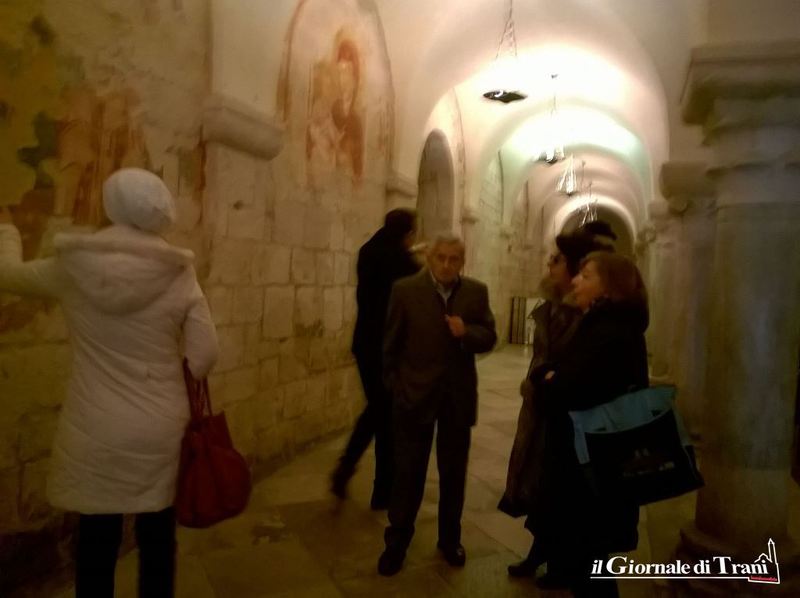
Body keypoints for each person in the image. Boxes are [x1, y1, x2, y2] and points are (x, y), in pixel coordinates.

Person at [0, 168, 219, 598]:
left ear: (111, 204)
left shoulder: (71, 267)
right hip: (159, 426)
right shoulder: (179, 274)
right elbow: (204, 358)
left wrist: (6, 229)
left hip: (94, 425)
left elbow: (7, 275)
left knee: (96, 540)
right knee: (157, 537)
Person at [378, 233, 497, 576]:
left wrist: (466, 332)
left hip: (456, 398)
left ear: (462, 261)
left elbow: (489, 335)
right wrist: (397, 387)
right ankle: (396, 543)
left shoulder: (476, 292)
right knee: (408, 474)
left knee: (453, 473)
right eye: (440, 257)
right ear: (430, 258)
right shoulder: (405, 290)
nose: (446, 265)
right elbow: (390, 345)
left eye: (453, 259)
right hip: (414, 397)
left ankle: (449, 540)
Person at [531, 251, 648, 597]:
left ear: (608, 287)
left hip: (591, 466)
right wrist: (553, 376)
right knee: (584, 554)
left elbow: (570, 391)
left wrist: (546, 379)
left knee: (590, 562)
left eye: (586, 275)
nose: (575, 280)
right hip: (591, 461)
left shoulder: (608, 331)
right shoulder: (606, 325)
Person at [502, 223, 616, 578]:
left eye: (557, 260)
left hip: (567, 410)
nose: (550, 264)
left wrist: (549, 381)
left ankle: (558, 560)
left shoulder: (585, 315)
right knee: (542, 480)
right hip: (544, 404)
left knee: (558, 486)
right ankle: (541, 551)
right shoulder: (554, 307)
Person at [331, 208, 420, 508]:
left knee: (380, 411)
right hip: (388, 348)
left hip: (364, 344)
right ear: (407, 233)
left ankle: (361, 477)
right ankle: (374, 485)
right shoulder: (403, 262)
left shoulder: (368, 251)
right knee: (384, 413)